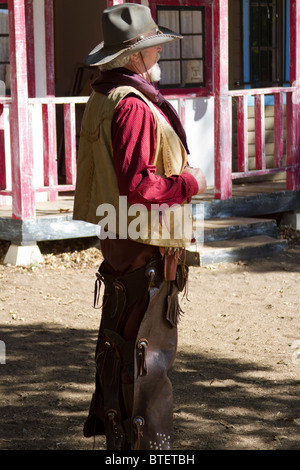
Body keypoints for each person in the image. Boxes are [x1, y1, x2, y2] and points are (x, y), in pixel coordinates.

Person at [73, 2, 207, 450]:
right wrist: (189, 182)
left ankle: (125, 443)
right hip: (142, 245)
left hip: (123, 239)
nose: (158, 55)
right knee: (143, 357)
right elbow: (141, 186)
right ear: (136, 55)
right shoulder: (131, 105)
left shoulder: (103, 96)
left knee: (125, 347)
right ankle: (143, 450)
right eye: (152, 47)